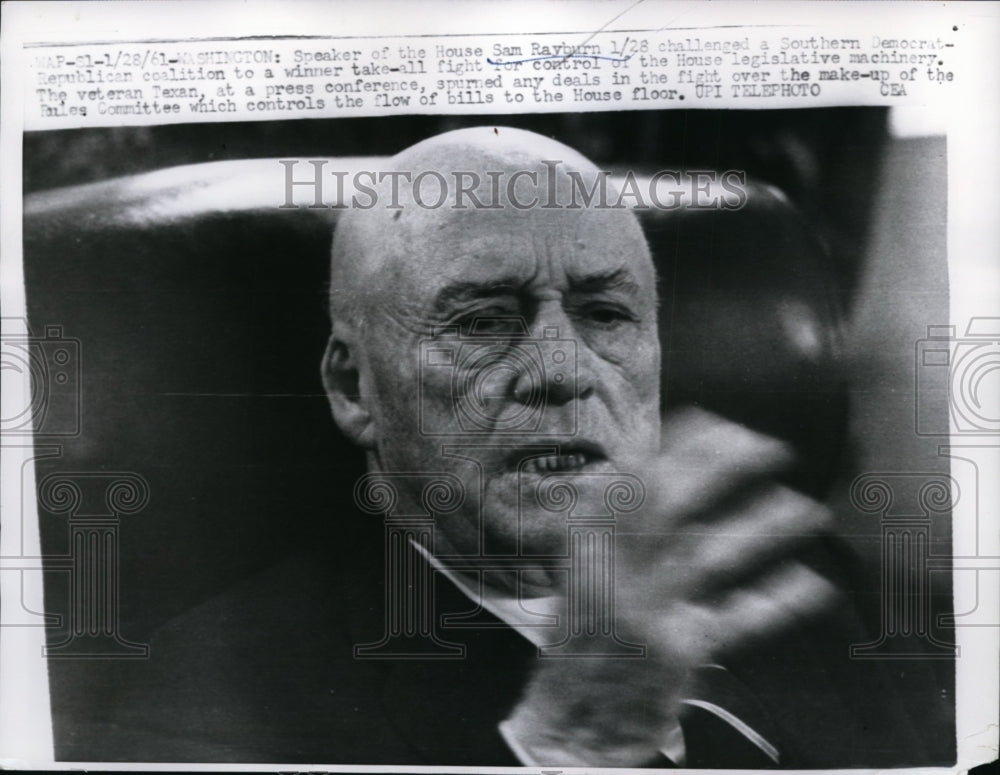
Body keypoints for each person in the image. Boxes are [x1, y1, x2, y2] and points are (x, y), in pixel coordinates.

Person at [83, 126, 934, 767]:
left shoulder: (799, 573)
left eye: (605, 315)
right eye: (484, 320)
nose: (561, 372)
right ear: (353, 387)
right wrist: (564, 742)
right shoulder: (205, 698)